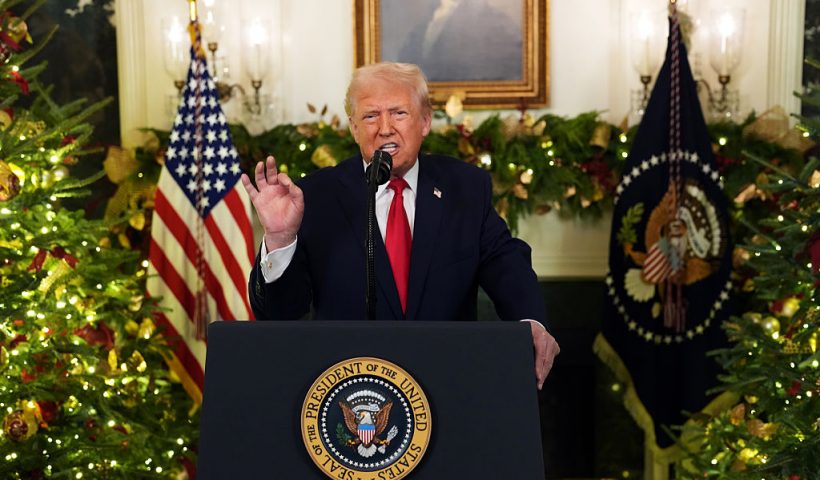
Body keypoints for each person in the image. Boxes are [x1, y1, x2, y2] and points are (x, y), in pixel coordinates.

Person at [240, 62, 559, 389]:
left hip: (446, 387)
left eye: (399, 113)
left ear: (425, 121)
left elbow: (507, 263)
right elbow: (280, 313)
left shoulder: (464, 187)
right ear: (353, 128)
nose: (385, 128)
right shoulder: (316, 196)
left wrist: (530, 322)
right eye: (370, 116)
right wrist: (280, 239)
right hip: (351, 394)